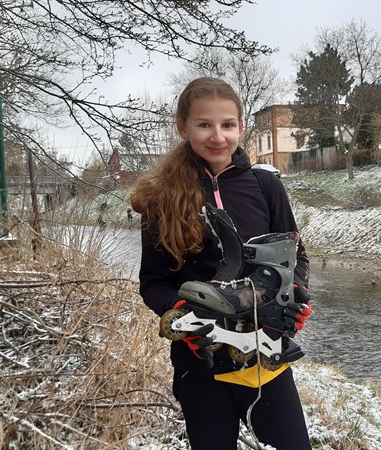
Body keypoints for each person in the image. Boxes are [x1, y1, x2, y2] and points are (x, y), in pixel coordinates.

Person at [130, 77, 313, 450]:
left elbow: (297, 257)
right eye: (204, 124)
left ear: (240, 127)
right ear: (183, 127)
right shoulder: (160, 196)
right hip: (201, 365)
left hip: (267, 356)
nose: (218, 136)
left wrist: (296, 297)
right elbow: (152, 282)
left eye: (228, 125)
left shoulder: (266, 186)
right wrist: (180, 315)